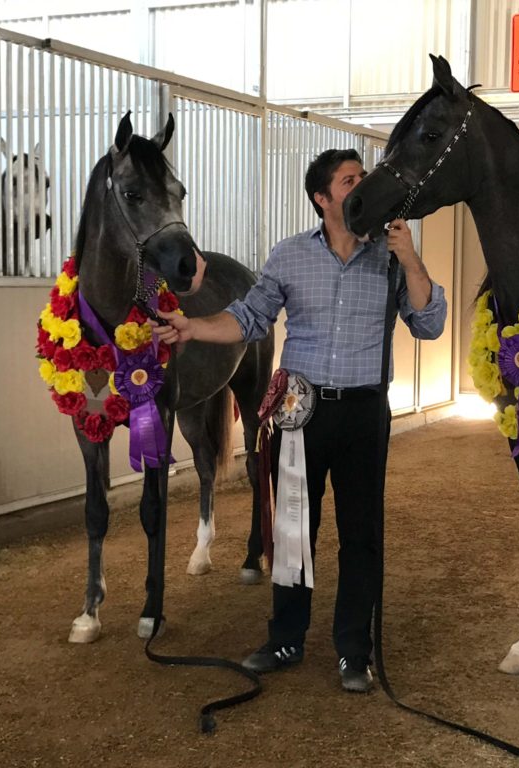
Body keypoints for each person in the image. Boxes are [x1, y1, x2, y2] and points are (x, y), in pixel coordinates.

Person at [151, 148, 447, 693]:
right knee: (291, 531)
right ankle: (285, 638)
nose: (362, 186)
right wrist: (191, 328)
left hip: (364, 411)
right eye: (350, 180)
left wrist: (411, 260)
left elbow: (429, 323)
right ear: (322, 198)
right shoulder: (289, 256)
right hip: (299, 410)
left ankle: (354, 651)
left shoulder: (388, 255)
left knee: (362, 536)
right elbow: (247, 318)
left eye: (363, 177)